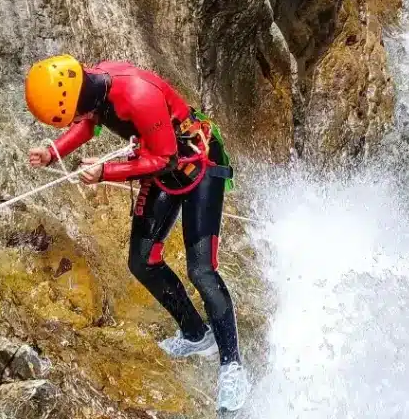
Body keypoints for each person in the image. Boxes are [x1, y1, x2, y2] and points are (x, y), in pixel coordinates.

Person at [24, 55, 249, 412]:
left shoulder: (137, 96)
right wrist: (53, 152)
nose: (75, 119)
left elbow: (165, 159)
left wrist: (106, 172)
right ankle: (195, 335)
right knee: (142, 261)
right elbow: (90, 123)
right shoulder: (94, 86)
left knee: (201, 271)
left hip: (199, 165)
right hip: (163, 165)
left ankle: (232, 365)